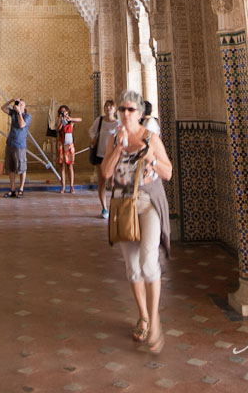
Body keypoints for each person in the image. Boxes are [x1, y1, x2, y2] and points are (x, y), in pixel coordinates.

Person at [101, 89, 172, 354]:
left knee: (148, 260)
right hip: (122, 206)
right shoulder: (114, 138)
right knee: (132, 268)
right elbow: (106, 172)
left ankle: (154, 320)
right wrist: (119, 147)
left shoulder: (151, 139)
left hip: (148, 204)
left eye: (130, 110)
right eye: (122, 109)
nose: (125, 114)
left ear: (140, 114)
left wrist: (151, 157)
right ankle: (143, 315)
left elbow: (168, 172)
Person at [89, 99, 118, 217]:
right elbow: (92, 131)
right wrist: (93, 138)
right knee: (101, 181)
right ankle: (104, 208)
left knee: (113, 182)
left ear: (115, 109)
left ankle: (114, 206)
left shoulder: (118, 123)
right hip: (100, 154)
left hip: (112, 156)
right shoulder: (99, 120)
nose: (108, 108)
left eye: (110, 106)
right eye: (106, 106)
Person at [1, 97, 31, 197]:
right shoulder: (13, 113)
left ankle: (21, 189)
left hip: (20, 145)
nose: (19, 106)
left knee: (22, 167)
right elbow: (3, 108)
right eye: (19, 104)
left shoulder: (27, 116)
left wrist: (19, 113)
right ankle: (12, 189)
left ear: (24, 107)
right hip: (10, 143)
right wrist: (11, 100)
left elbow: (22, 125)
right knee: (11, 168)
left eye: (21, 104)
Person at [56, 104, 82, 193]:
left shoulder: (71, 121)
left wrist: (70, 119)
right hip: (61, 144)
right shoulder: (59, 120)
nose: (64, 113)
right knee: (62, 166)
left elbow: (80, 119)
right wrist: (60, 121)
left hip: (69, 145)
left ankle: (71, 186)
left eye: (65, 112)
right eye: (62, 112)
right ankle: (63, 186)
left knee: (70, 166)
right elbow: (57, 129)